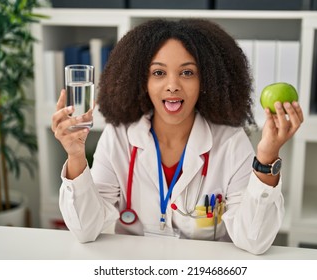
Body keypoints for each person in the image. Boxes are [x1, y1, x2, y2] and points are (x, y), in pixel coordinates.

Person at [51, 18, 303, 255]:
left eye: (187, 73)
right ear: (142, 81)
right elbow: (85, 230)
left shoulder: (230, 142)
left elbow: (254, 240)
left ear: (207, 80)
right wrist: (75, 157)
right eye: (158, 73)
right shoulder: (118, 137)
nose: (173, 85)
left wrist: (268, 156)